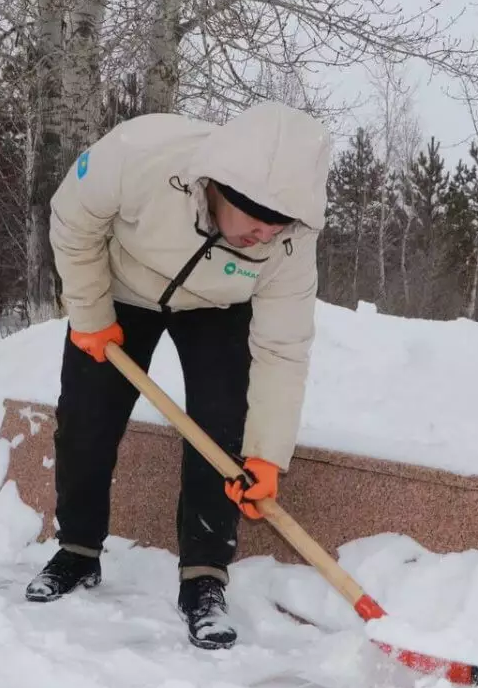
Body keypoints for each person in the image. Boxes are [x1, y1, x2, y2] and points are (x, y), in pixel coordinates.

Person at [24, 101, 331, 650]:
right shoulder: (140, 153)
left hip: (219, 307)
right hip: (120, 288)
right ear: (218, 188)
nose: (265, 234)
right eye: (256, 218)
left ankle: (205, 579)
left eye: (278, 222)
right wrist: (91, 314)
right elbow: (72, 218)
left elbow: (284, 348)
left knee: (220, 431)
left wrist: (265, 454)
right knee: (88, 419)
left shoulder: (291, 240)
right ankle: (77, 551)